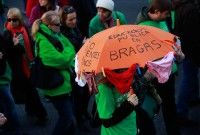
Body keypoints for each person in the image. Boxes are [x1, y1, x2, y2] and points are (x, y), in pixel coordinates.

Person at [135, 0, 184, 134]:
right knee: (152, 107)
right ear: (156, 12)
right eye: (166, 13)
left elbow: (169, 40)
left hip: (169, 73)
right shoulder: (142, 27)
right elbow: (142, 54)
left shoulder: (162, 21)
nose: (168, 16)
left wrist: (177, 52)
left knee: (170, 106)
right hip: (154, 75)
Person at [32, 10, 76, 135]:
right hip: (57, 88)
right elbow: (62, 60)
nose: (60, 26)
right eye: (57, 24)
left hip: (64, 84)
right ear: (48, 26)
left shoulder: (55, 34)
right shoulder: (43, 41)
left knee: (68, 116)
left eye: (59, 23)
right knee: (66, 117)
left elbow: (69, 48)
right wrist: (68, 54)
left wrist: (67, 54)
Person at [3, 7, 48, 125]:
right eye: (9, 19)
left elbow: (30, 46)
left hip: (28, 65)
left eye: (14, 20)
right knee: (31, 92)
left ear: (19, 20)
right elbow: (7, 53)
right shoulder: (7, 34)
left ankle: (32, 110)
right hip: (18, 69)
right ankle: (42, 115)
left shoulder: (24, 29)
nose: (11, 22)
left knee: (29, 92)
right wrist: (15, 45)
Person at [59, 5, 91, 131]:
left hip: (82, 66)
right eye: (70, 20)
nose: (74, 22)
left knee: (87, 93)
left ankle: (83, 112)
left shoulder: (74, 28)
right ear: (63, 20)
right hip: (73, 70)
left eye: (75, 18)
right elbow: (70, 51)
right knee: (78, 96)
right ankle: (79, 119)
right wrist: (82, 44)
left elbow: (79, 40)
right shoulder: (62, 33)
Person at [171, 0, 200, 126]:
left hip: (182, 45)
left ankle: (193, 96)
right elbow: (195, 35)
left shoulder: (177, 5)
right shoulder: (190, 9)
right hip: (191, 48)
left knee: (190, 74)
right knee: (188, 77)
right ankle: (181, 112)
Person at [0, 33, 22, 135]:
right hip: (2, 78)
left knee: (7, 105)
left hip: (3, 76)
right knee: (8, 105)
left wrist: (15, 44)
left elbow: (5, 48)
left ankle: (11, 127)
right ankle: (13, 128)